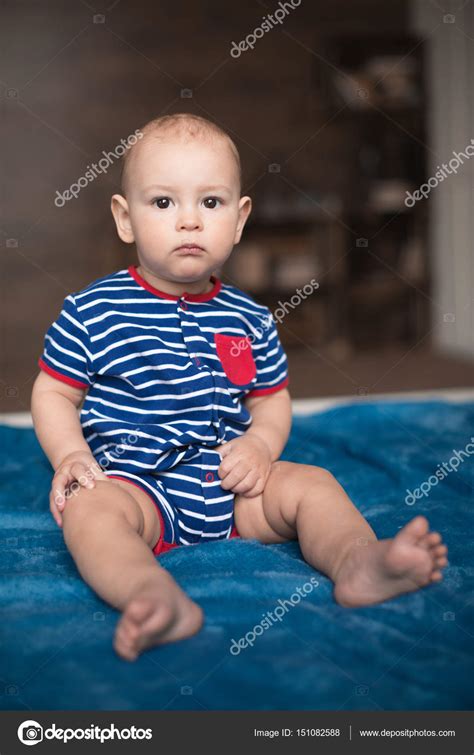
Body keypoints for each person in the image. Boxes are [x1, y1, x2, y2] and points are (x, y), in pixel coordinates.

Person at [31, 113, 448, 662]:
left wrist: (259, 446)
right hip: (136, 487)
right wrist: (71, 457)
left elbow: (270, 398)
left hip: (231, 490)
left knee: (313, 483)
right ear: (124, 218)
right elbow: (53, 393)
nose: (188, 222)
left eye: (210, 203)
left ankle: (358, 561)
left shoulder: (248, 317)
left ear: (240, 217)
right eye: (163, 203)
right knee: (91, 513)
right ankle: (150, 594)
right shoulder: (93, 309)